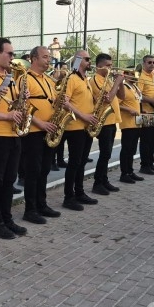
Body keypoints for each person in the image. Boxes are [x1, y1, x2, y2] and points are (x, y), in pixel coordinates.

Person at [0, 37, 27, 239]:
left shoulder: (10, 77)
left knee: (10, 180)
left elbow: (13, 105)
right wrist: (7, 116)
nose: (12, 57)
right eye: (9, 53)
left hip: (13, 134)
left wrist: (22, 98)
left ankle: (7, 219)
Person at [20, 45, 61, 224]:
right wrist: (41, 123)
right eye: (45, 57)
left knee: (44, 170)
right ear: (33, 58)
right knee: (33, 171)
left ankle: (41, 204)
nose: (49, 59)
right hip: (34, 132)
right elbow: (23, 106)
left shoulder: (49, 80)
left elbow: (51, 102)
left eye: (49, 57)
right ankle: (30, 210)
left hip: (49, 130)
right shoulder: (24, 78)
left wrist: (62, 101)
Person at [61, 49, 99, 211]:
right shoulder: (71, 78)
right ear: (78, 60)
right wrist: (84, 115)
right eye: (87, 59)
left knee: (82, 162)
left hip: (86, 126)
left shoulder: (86, 79)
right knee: (74, 163)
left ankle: (79, 192)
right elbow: (65, 102)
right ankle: (69, 197)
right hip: (75, 126)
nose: (90, 62)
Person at [90, 53, 125, 195]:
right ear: (99, 66)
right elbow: (108, 99)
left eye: (111, 65)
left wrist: (120, 83)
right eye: (108, 66)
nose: (111, 68)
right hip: (103, 122)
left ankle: (104, 180)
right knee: (105, 153)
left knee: (108, 154)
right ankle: (97, 183)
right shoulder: (95, 80)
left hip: (111, 121)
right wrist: (117, 82)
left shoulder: (108, 80)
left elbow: (122, 96)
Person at [118, 75, 145, 184]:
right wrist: (128, 109)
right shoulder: (123, 87)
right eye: (132, 75)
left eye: (136, 75)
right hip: (127, 124)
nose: (135, 77)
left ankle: (130, 171)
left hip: (136, 123)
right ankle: (124, 174)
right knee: (126, 149)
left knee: (132, 150)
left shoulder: (134, 88)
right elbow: (117, 104)